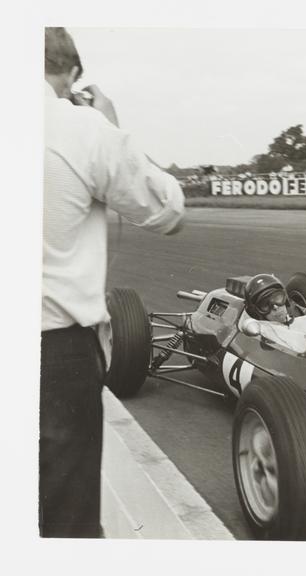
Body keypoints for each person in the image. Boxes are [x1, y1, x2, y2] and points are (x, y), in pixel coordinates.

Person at [42, 27, 185, 538]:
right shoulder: (79, 126)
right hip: (53, 355)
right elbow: (168, 209)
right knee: (66, 527)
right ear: (72, 74)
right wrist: (111, 126)